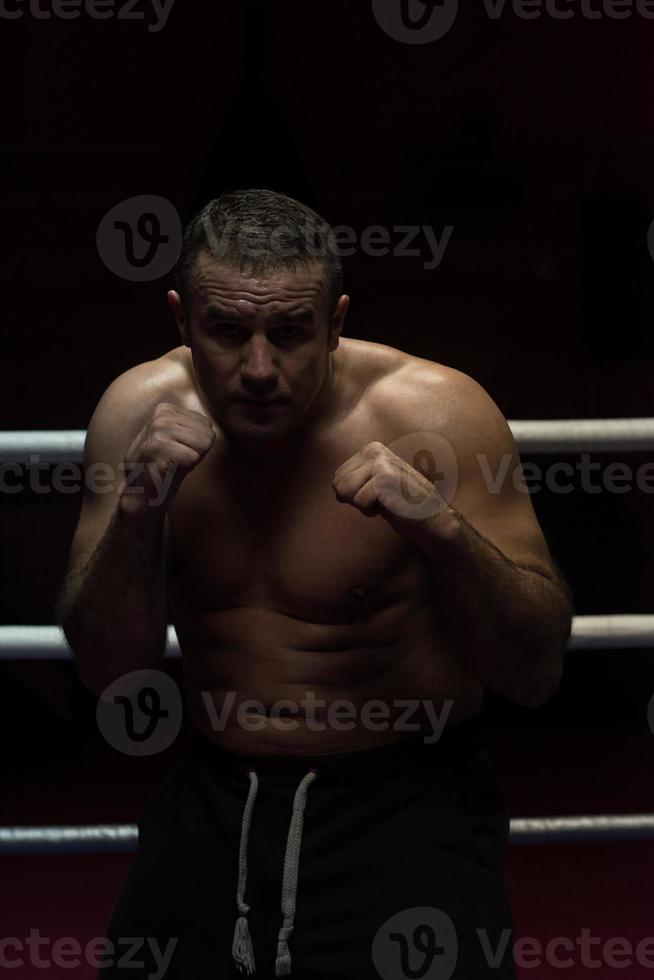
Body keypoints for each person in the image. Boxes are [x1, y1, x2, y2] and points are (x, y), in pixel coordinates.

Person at [57, 188, 573, 979]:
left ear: (335, 323)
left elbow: (535, 670)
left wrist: (441, 530)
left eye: (290, 334)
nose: (259, 368)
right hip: (214, 791)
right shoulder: (138, 414)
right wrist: (138, 510)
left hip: (406, 803)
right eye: (229, 332)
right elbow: (106, 668)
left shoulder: (439, 412)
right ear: (182, 322)